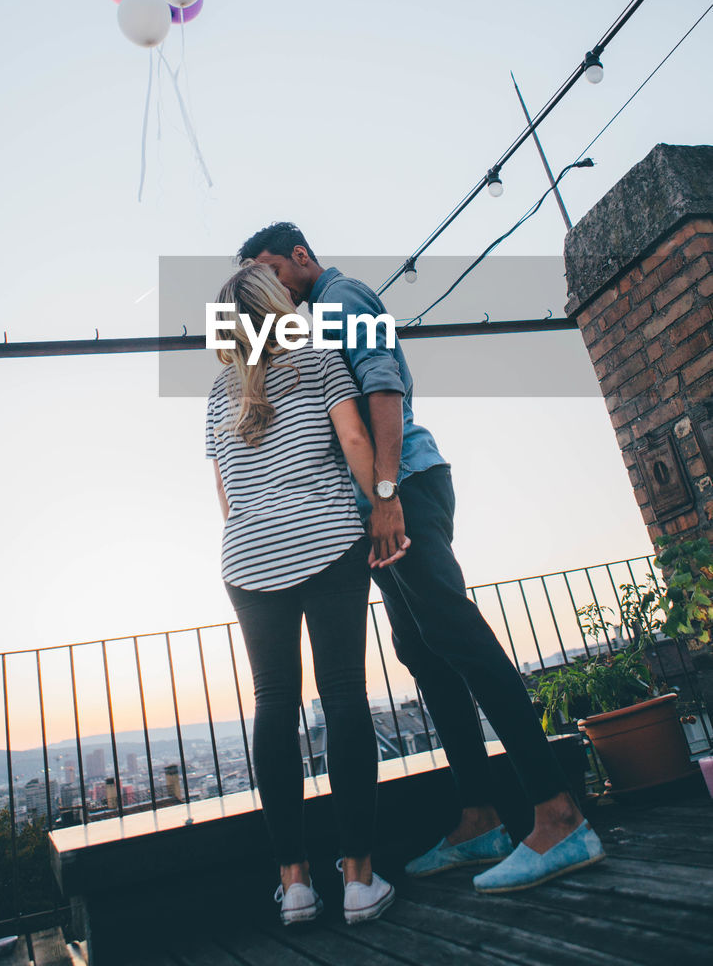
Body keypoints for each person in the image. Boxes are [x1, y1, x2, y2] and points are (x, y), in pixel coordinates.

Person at [237, 222, 605, 894]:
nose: (269, 286)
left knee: (457, 634)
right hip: (380, 498)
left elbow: (383, 389)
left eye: (270, 269)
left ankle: (558, 814)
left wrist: (382, 495)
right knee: (425, 651)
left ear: (299, 256)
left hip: (399, 486)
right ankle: (480, 816)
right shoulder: (308, 321)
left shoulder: (343, 299)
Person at [206, 261, 402, 924]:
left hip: (247, 557)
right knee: (343, 695)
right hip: (324, 539)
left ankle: (293, 886)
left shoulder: (216, 393)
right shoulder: (316, 360)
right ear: (276, 304)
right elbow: (353, 437)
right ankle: (357, 879)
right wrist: (383, 500)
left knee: (273, 706)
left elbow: (225, 494)